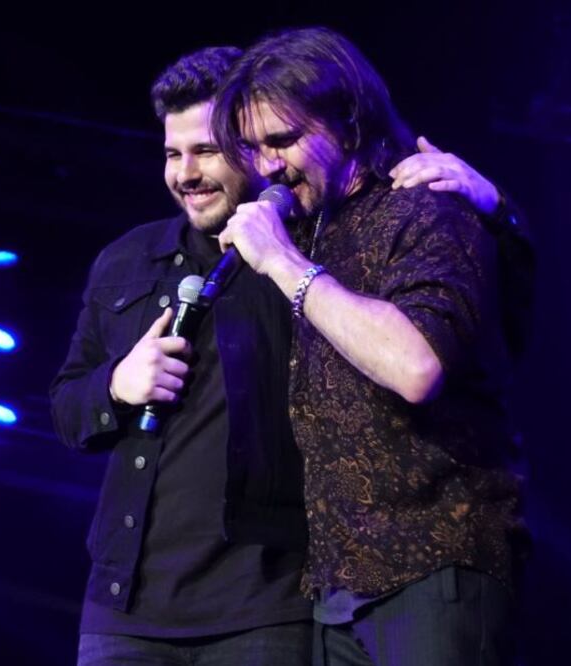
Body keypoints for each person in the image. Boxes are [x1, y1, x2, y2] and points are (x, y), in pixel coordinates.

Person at [49, 45, 521, 665]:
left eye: (209, 151)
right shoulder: (127, 261)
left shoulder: (317, 243)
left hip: (279, 602)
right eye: (171, 153)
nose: (186, 172)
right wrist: (116, 386)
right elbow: (65, 406)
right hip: (138, 605)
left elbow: (453, 335)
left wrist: (498, 212)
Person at [211, 27, 529, 665]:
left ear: (349, 124)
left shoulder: (425, 211)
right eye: (251, 148)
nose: (267, 166)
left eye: (284, 140)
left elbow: (416, 366)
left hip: (436, 560)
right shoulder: (313, 227)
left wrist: (281, 263)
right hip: (339, 584)